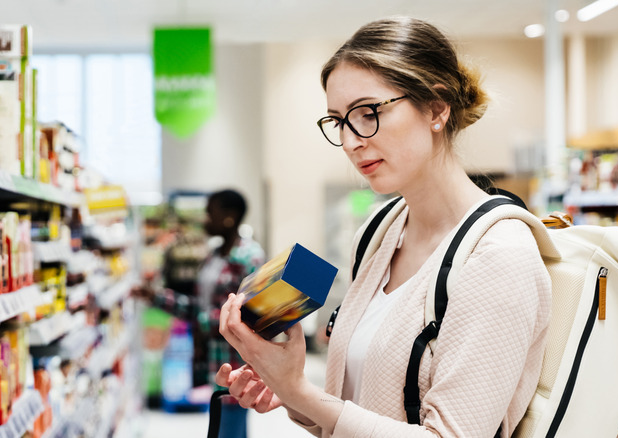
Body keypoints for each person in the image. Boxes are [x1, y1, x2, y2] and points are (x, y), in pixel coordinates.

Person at [216, 17, 551, 437]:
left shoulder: (499, 257)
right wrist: (290, 391)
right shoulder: (379, 231)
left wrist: (299, 390)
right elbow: (359, 405)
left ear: (436, 107)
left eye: (368, 113)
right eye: (339, 121)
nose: (352, 140)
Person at [139, 189, 265, 438]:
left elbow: (251, 313)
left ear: (230, 216)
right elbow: (199, 306)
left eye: (210, 212)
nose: (204, 219)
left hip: (238, 362)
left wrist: (203, 320)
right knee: (227, 428)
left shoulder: (250, 257)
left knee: (228, 428)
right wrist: (156, 297)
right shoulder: (213, 255)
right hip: (213, 361)